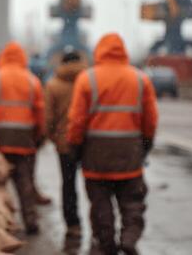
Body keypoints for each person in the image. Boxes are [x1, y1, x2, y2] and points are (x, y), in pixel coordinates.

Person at [67, 33, 158, 255]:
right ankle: (129, 238)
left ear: (99, 51)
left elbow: (77, 120)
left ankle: (105, 243)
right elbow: (150, 119)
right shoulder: (140, 79)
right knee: (132, 201)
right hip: (129, 153)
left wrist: (74, 146)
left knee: (100, 203)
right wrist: (145, 144)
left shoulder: (87, 79)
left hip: (96, 154)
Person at [0, 41, 45, 235]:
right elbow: (40, 113)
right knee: (25, 183)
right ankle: (30, 220)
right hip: (25, 140)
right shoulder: (32, 80)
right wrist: (38, 135)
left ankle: (0, 224)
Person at [45, 50, 87, 249]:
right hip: (89, 142)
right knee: (97, 187)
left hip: (65, 144)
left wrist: (55, 138)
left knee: (68, 185)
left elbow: (49, 119)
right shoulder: (89, 81)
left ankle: (73, 225)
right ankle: (100, 226)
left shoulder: (53, 84)